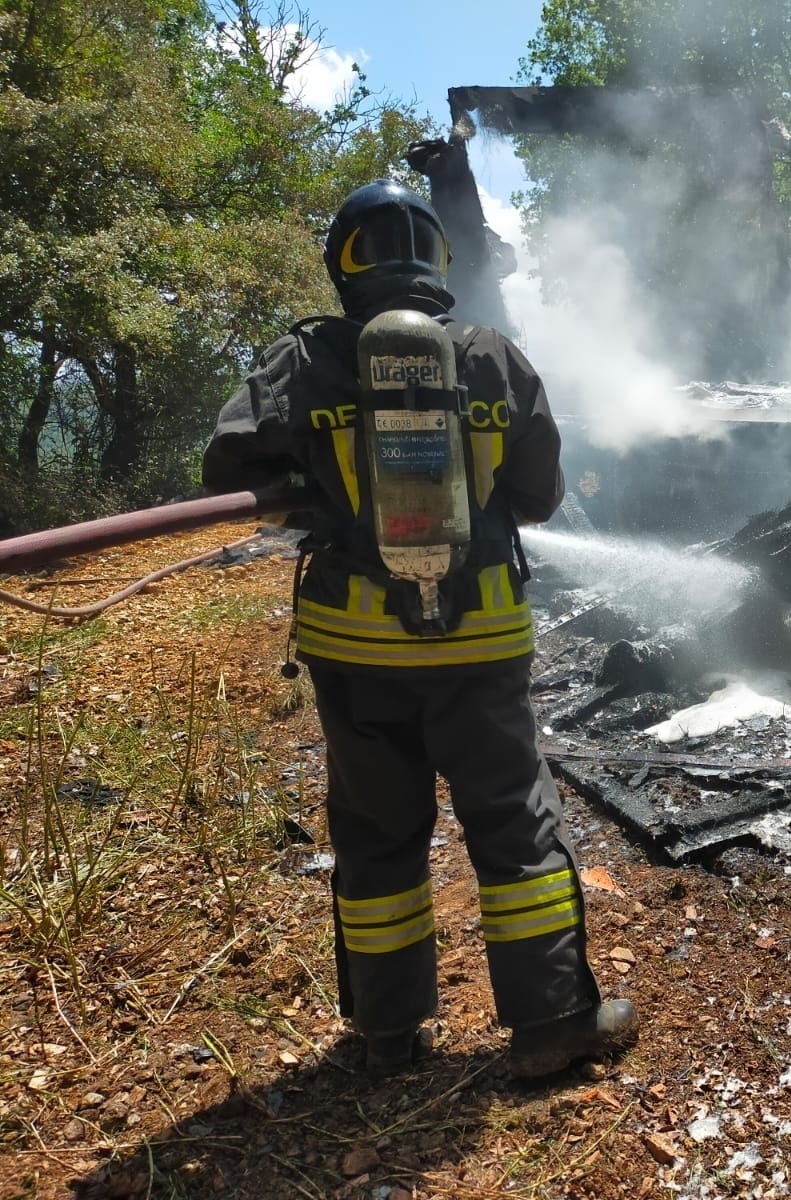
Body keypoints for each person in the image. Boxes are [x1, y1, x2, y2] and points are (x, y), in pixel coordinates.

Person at [201, 179, 637, 1078]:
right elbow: (541, 496)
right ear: (438, 260)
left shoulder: (305, 359)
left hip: (354, 651)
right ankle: (553, 1021)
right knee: (515, 826)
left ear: (345, 261)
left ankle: (389, 1033)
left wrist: (322, 489)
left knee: (376, 831)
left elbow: (228, 470)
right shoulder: (492, 359)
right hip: (480, 644)